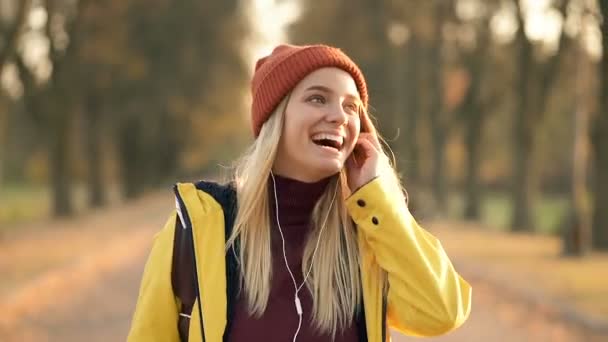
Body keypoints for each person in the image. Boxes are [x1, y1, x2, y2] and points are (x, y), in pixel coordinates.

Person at [127, 44, 471, 342]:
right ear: (277, 118)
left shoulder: (370, 235)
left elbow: (442, 311)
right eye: (318, 98)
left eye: (352, 107)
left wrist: (379, 195)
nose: (339, 115)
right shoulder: (197, 229)